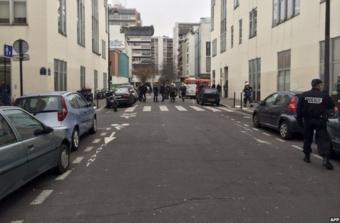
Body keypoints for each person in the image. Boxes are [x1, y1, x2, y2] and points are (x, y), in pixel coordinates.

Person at [297, 79, 335, 170]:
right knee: (323, 140)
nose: (322, 87)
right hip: (320, 120)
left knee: (307, 138)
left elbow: (299, 109)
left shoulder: (304, 95)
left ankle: (307, 156)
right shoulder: (324, 95)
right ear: (318, 85)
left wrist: (299, 120)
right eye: (321, 85)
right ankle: (325, 159)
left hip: (308, 120)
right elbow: (332, 106)